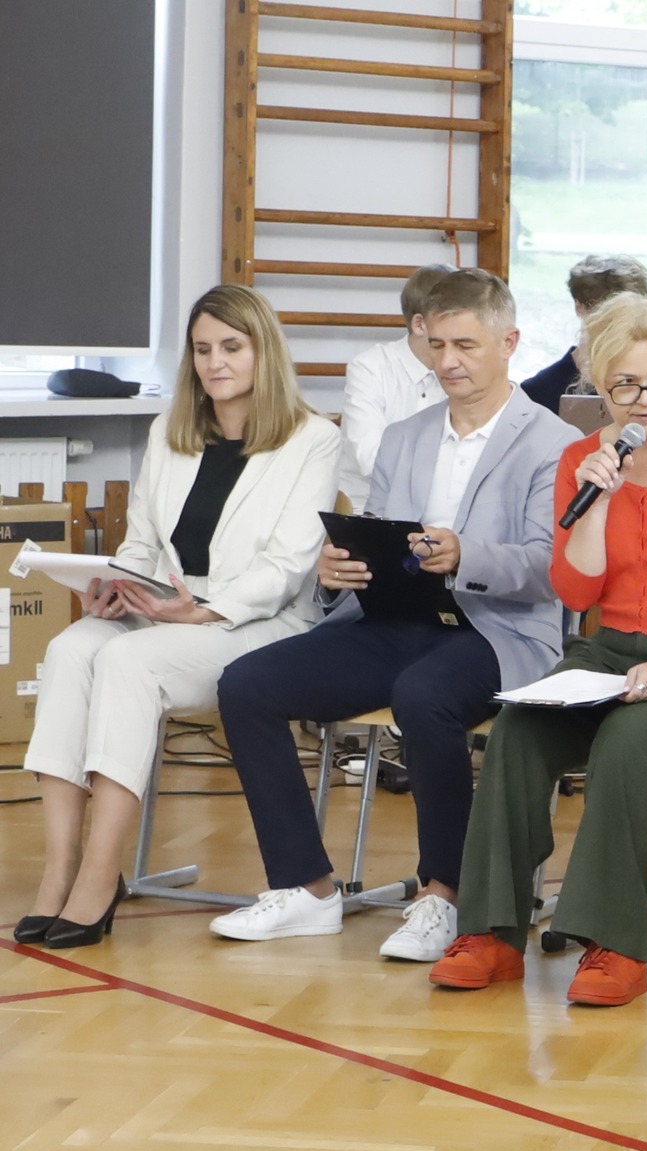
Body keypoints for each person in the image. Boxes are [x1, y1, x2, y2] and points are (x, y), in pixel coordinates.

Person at [208, 269, 581, 960]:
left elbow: (548, 569)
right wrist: (336, 573)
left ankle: (446, 893)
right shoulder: (405, 435)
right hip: (396, 620)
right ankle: (306, 887)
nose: (448, 362)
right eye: (437, 346)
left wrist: (464, 555)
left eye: (465, 345)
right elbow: (376, 534)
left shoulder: (552, 442)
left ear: (509, 343)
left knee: (424, 695)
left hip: (496, 631)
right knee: (246, 684)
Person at [427, 293, 647, 1007]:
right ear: (599, 388)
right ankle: (491, 931)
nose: (646, 402)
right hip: (610, 650)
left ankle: (616, 941)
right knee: (518, 732)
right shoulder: (583, 460)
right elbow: (575, 589)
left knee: (629, 739)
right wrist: (602, 500)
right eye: (626, 387)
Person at [11, 285, 340, 949]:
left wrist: (203, 611)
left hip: (257, 621)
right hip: (163, 604)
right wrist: (113, 587)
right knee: (71, 648)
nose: (215, 363)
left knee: (128, 660)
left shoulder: (314, 439)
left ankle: (99, 876)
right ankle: (60, 869)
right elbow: (140, 545)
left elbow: (287, 568)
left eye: (231, 347)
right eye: (202, 349)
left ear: (263, 351)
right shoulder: (171, 432)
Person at [339, 264, 454, 506]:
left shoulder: (461, 373)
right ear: (419, 324)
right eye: (453, 320)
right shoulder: (370, 368)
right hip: (368, 512)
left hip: (439, 513)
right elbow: (370, 459)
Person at [521, 254, 647, 414]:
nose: (617, 327)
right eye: (606, 316)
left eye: (629, 315)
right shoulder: (538, 391)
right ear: (579, 307)